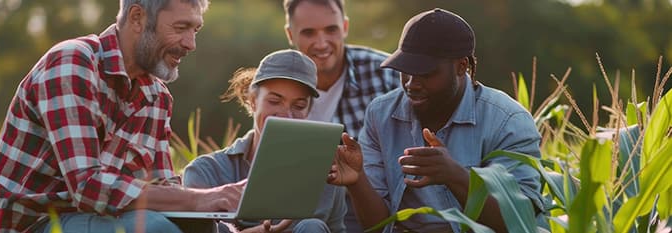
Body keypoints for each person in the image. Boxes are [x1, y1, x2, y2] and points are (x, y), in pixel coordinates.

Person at [0, 1, 245, 232]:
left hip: (95, 220)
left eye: (195, 30)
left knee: (203, 227)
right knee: (154, 228)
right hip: (34, 223)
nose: (191, 44)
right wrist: (200, 198)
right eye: (180, 28)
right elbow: (87, 187)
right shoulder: (72, 64)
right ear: (137, 18)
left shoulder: (157, 97)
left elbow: (165, 188)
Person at [328, 8, 544, 233]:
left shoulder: (508, 121)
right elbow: (377, 226)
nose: (411, 83)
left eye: (425, 73)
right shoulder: (380, 113)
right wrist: (357, 180)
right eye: (405, 71)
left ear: (462, 66)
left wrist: (455, 176)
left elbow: (520, 222)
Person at [183, 49, 347, 233]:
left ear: (308, 110)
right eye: (275, 101)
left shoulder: (326, 176)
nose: (286, 115)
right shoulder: (206, 171)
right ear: (252, 101)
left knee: (312, 226)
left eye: (298, 106)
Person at [282, 1, 401, 230]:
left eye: (331, 30)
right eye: (308, 33)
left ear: (344, 27)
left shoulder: (386, 75)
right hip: (304, 215)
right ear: (290, 34)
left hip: (376, 211)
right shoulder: (279, 81)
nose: (321, 43)